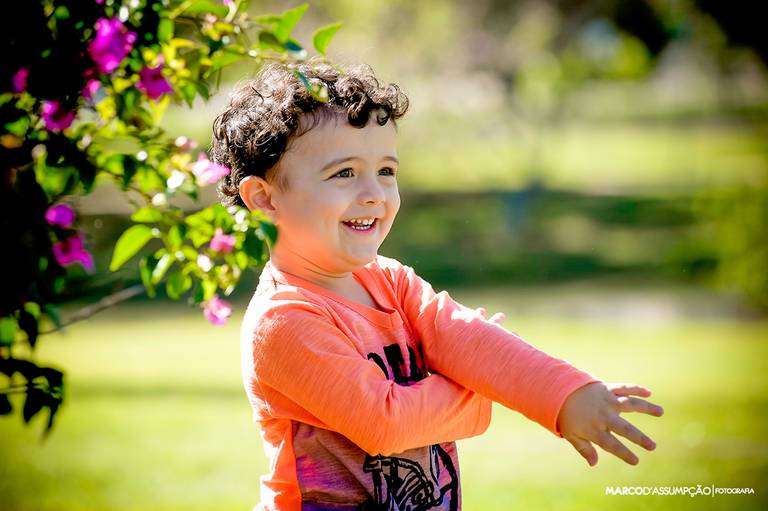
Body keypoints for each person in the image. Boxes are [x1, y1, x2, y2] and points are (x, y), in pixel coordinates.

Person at [211, 59, 664, 511]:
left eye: (386, 171)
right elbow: (386, 423)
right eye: (344, 173)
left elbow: (472, 341)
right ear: (265, 198)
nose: (374, 192)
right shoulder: (285, 319)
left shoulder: (392, 281)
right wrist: (483, 384)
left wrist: (564, 395)